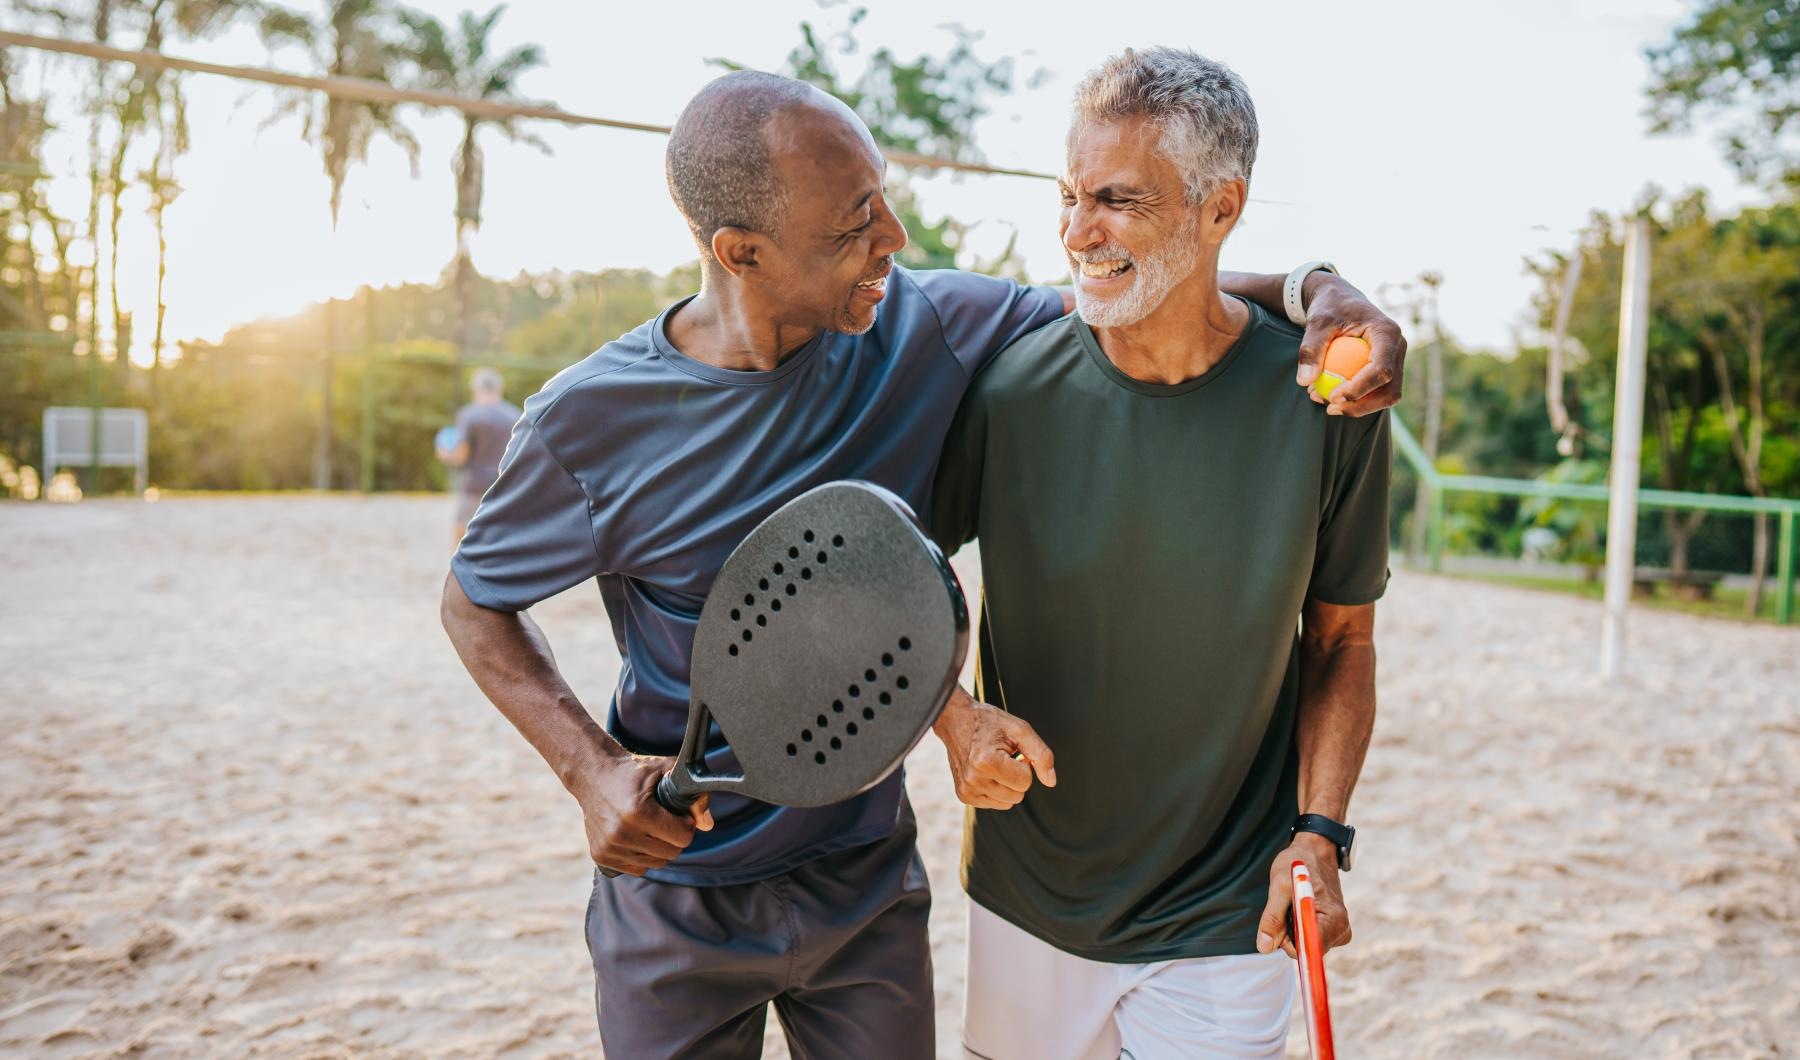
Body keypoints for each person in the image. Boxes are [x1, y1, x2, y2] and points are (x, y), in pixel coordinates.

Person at [439, 68, 1404, 1058]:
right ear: (742, 252)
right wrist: (590, 770)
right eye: (856, 222)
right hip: (677, 889)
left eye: (883, 198)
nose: (895, 237)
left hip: (864, 878)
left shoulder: (926, 325)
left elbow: (1142, 286)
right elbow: (474, 603)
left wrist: (1319, 291)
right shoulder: (590, 420)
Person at [930, 48, 1390, 1059]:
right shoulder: (1007, 388)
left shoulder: (1328, 400)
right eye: (1069, 196)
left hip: (1230, 907)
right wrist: (952, 720)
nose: (1076, 232)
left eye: (1117, 200)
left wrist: (1322, 830)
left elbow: (1343, 642)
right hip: (1028, 895)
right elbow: (893, 578)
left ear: (1220, 210)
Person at [436, 367, 521, 547]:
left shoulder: (469, 415)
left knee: (462, 529)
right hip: (503, 482)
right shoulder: (515, 415)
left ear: (475, 389)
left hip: (473, 484)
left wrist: (445, 454)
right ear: (500, 388)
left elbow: (460, 456)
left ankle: (458, 563)